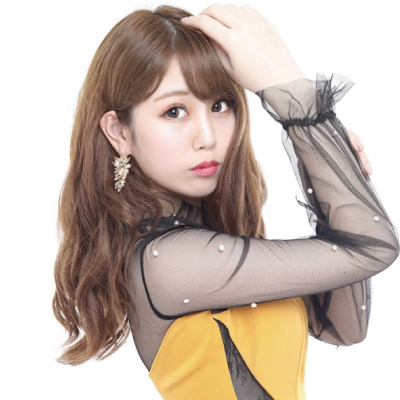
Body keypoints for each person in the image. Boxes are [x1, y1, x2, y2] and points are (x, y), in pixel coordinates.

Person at [52, 4, 399, 399]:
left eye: (219, 105)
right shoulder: (167, 262)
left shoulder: (210, 243)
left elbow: (344, 328)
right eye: (174, 111)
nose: (207, 137)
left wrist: (329, 167)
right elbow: (373, 248)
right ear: (120, 132)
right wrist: (294, 96)